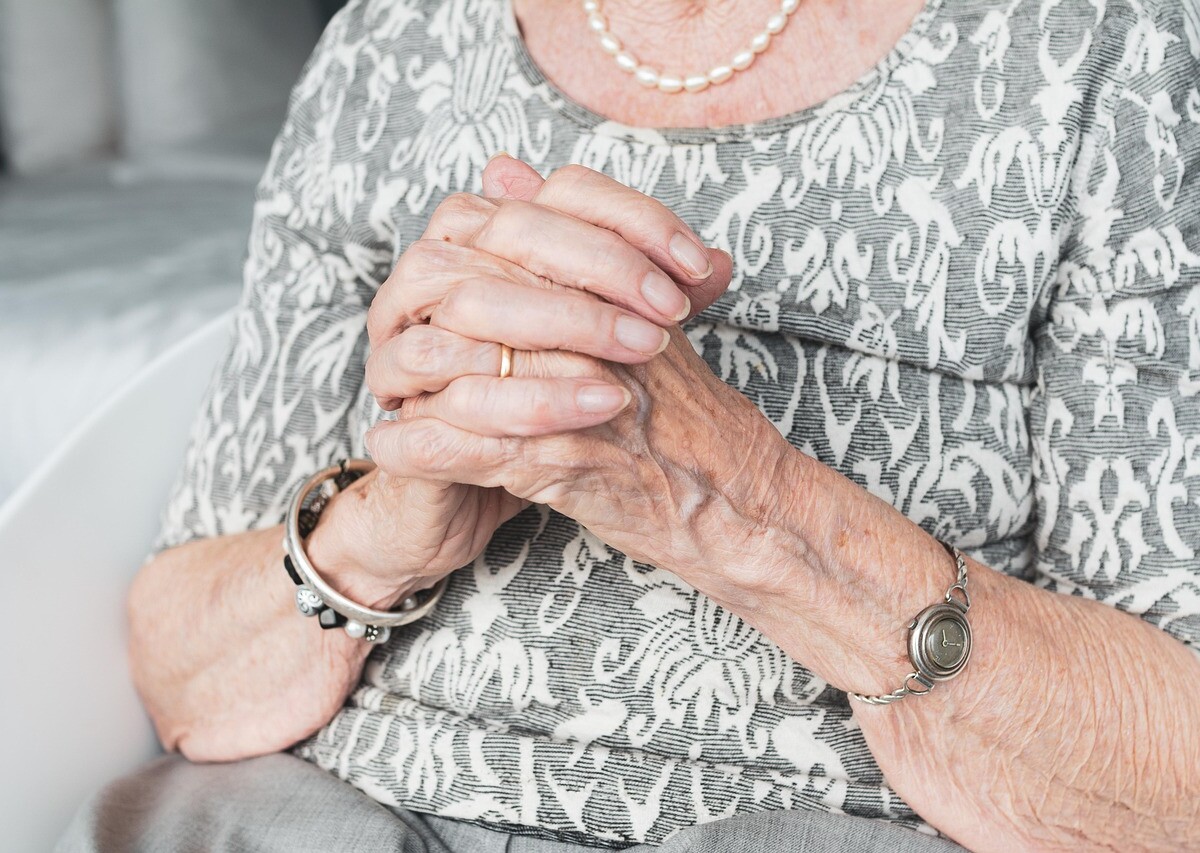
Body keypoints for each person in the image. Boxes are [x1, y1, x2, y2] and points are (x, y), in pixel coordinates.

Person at [60, 0, 1200, 850]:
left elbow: (1172, 788)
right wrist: (393, 513)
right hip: (334, 805)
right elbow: (184, 674)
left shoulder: (1104, 54)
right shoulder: (392, 42)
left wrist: (730, 495)